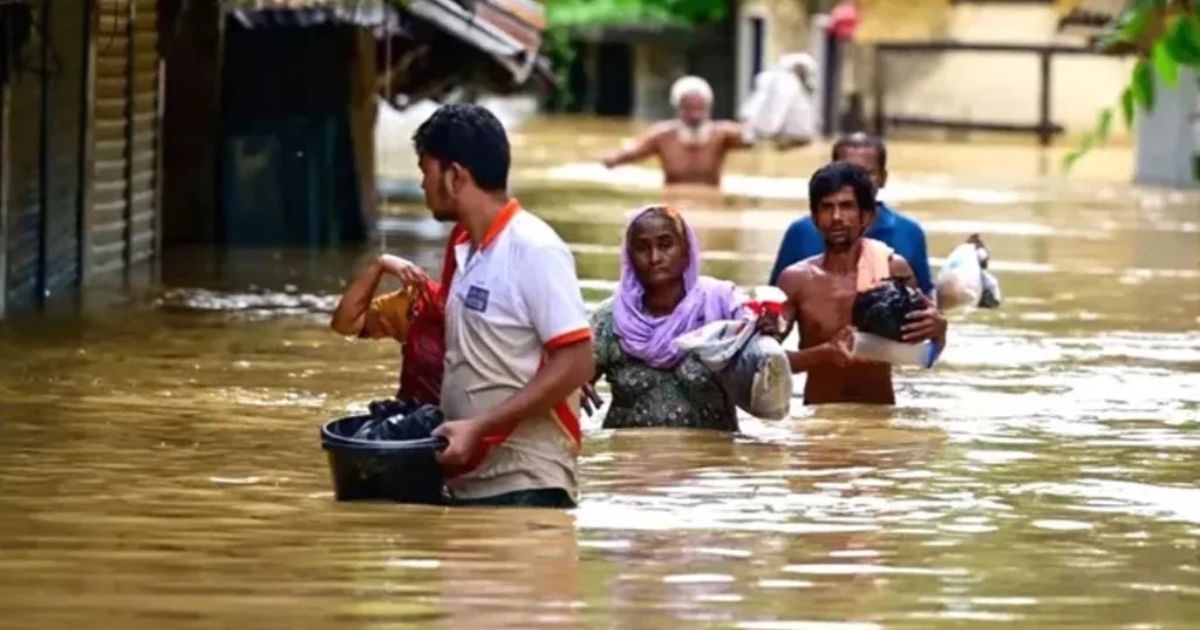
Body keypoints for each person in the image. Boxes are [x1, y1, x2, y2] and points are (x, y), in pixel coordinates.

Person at [332, 104, 594, 508]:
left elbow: (577, 362)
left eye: (425, 171)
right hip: (465, 483)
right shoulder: (462, 249)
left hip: (526, 485)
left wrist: (481, 427)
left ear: (454, 176)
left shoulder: (534, 248)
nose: (422, 185)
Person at [776, 161, 946, 405]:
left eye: (846, 207)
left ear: (867, 216)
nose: (836, 217)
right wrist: (822, 355)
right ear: (814, 217)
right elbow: (765, 360)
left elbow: (926, 353)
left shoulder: (893, 269)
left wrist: (939, 332)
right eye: (827, 207)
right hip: (820, 421)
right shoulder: (796, 280)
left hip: (880, 421)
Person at [591, 205, 756, 431]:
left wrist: (763, 333)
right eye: (642, 248)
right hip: (629, 461)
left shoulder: (723, 307)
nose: (654, 258)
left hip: (710, 463)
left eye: (666, 245)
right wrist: (570, 388)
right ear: (629, 256)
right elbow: (571, 384)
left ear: (686, 249)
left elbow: (767, 378)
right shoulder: (611, 319)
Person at [768, 133, 933, 295]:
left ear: (883, 177)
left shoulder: (908, 235)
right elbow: (774, 301)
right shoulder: (801, 232)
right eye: (846, 172)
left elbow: (923, 305)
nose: (854, 181)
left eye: (866, 173)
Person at [601, 76, 752, 186]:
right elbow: (627, 155)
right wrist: (611, 158)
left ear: (709, 107)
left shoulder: (722, 134)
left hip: (711, 200)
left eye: (700, 108)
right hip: (673, 204)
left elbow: (750, 138)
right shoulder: (662, 135)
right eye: (689, 108)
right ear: (678, 108)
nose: (695, 115)